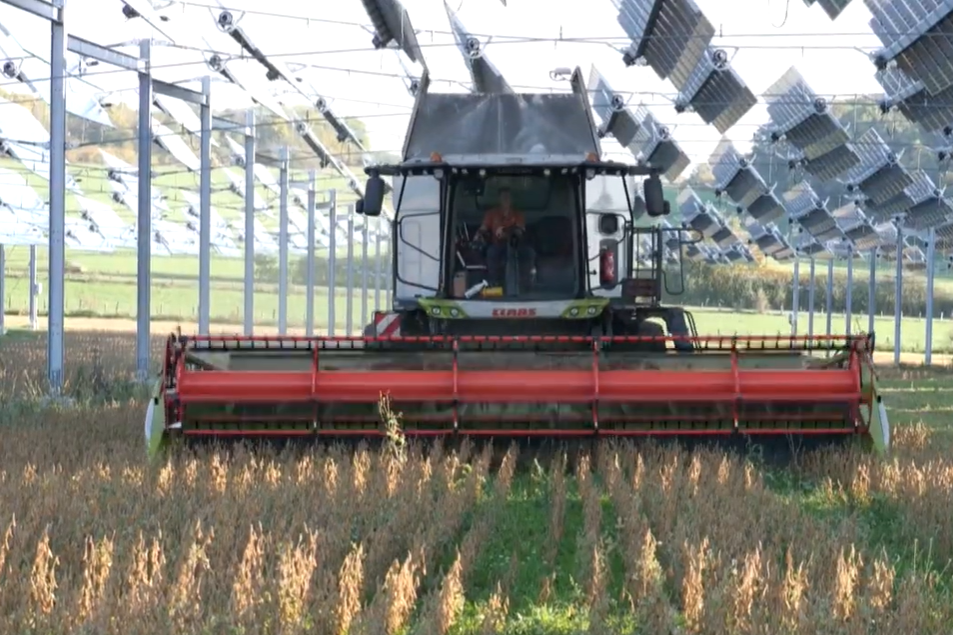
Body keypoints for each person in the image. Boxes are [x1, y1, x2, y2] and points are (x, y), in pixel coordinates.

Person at [476, 187, 535, 287]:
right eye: (503, 197)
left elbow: (520, 231)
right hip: (498, 244)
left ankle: (526, 282)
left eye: (508, 197)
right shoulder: (491, 213)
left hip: (516, 244)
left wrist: (506, 231)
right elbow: (483, 228)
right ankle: (494, 282)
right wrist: (478, 235)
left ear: (511, 199)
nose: (506, 200)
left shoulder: (518, 214)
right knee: (491, 252)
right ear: (499, 199)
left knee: (529, 252)